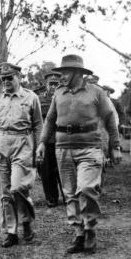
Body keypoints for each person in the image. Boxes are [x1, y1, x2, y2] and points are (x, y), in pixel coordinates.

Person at [36, 54, 121, 254]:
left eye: (65, 72)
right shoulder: (58, 93)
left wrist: (115, 147)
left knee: (86, 188)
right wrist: (41, 143)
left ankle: (90, 228)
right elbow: (49, 120)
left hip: (90, 147)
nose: (61, 76)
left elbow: (109, 119)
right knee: (70, 193)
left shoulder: (97, 93)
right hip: (62, 149)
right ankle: (79, 233)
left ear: (78, 73)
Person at [0, 63, 43, 248]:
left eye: (9, 78)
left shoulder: (31, 97)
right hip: (1, 146)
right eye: (3, 79)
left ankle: (26, 221)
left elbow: (38, 125)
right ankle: (11, 231)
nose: (6, 81)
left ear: (18, 78)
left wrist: (40, 148)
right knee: (5, 193)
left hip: (23, 144)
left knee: (18, 187)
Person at [37, 71, 62, 208]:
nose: (53, 87)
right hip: (45, 141)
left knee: (62, 169)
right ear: (46, 85)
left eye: (56, 84)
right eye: (50, 84)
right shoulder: (39, 100)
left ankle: (67, 195)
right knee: (46, 171)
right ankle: (51, 197)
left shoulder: (64, 97)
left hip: (62, 139)